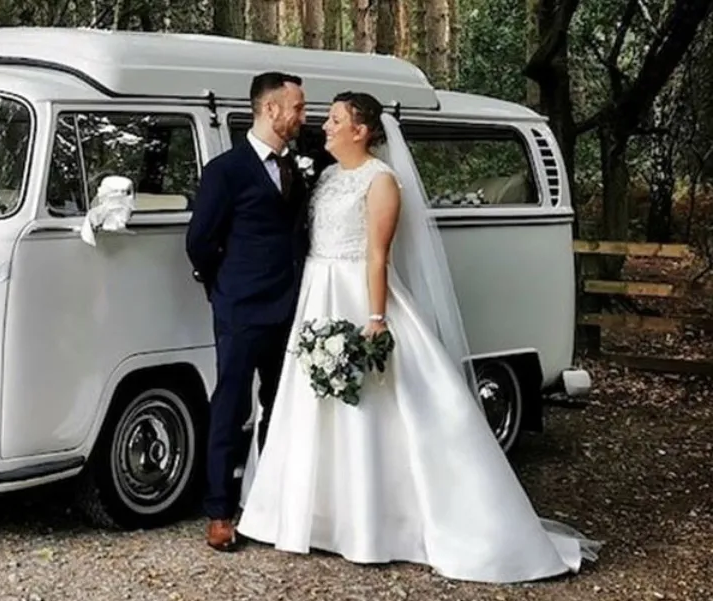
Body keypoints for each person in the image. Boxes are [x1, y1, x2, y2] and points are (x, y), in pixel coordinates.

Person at [235, 91, 602, 583]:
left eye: (337, 119)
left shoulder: (381, 181)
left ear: (362, 129)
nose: (326, 126)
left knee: (376, 406)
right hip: (316, 292)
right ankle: (321, 517)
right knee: (316, 405)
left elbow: (377, 256)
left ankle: (382, 523)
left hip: (357, 294)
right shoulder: (325, 177)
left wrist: (375, 317)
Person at [185, 71, 311, 552]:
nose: (303, 115)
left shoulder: (297, 166)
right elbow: (199, 241)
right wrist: (220, 284)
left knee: (285, 408)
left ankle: (274, 504)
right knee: (231, 406)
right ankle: (220, 511)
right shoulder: (226, 170)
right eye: (297, 107)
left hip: (292, 307)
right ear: (271, 109)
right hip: (241, 307)